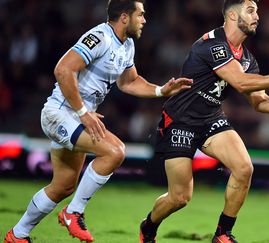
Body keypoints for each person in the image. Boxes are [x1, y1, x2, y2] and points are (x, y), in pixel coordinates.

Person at [139, 0, 269, 242]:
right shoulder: (211, 45)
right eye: (250, 11)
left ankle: (222, 234)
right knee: (180, 198)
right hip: (179, 121)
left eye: (257, 11)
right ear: (231, 14)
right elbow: (239, 82)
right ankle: (148, 227)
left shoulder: (247, 58)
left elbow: (259, 101)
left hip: (210, 119)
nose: (257, 16)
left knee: (244, 167)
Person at [4, 1, 192, 243]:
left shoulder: (127, 45)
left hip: (77, 117)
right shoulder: (99, 37)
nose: (144, 20)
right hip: (60, 114)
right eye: (141, 15)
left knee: (63, 186)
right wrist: (82, 111)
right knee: (115, 152)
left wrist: (160, 91)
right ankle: (74, 212)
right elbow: (63, 70)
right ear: (124, 17)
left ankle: (17, 235)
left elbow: (129, 82)